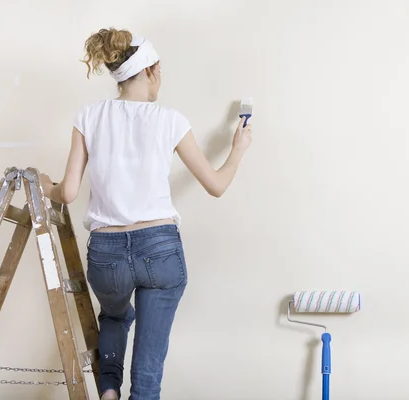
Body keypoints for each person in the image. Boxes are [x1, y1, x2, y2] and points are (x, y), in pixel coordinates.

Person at [39, 27, 252, 400]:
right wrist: (238, 148)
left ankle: (108, 390)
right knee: (148, 377)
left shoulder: (88, 116)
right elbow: (216, 185)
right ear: (151, 70)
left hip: (106, 253)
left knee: (115, 317)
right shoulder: (170, 120)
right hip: (160, 248)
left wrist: (45, 186)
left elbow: (68, 192)